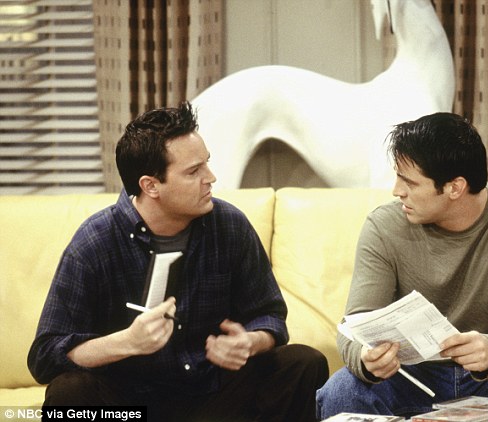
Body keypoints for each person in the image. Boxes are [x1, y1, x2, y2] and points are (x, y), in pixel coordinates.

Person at [28, 101, 329, 422]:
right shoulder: (95, 242)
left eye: (206, 164)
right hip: (130, 403)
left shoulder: (229, 225)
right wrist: (126, 342)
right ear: (150, 185)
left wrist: (250, 342)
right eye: (193, 171)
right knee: (69, 393)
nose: (211, 178)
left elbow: (270, 316)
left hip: (213, 397)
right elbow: (45, 356)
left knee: (303, 363)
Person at [316, 112, 488, 421]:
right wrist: (365, 358)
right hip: (411, 378)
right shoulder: (383, 226)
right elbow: (353, 327)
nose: (397, 191)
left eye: (409, 182)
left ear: (455, 187)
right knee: (341, 391)